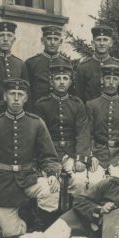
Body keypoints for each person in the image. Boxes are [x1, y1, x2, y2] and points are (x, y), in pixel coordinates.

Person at [0, 79, 62, 236]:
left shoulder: (36, 123)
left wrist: (51, 174)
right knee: (12, 234)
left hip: (28, 179)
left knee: (51, 189)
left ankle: (40, 229)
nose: (16, 98)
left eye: (20, 94)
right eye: (12, 94)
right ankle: (25, 218)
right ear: (5, 97)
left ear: (26, 98)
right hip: (4, 186)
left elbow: (49, 155)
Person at [34, 61, 93, 200]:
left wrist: (80, 158)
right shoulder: (42, 104)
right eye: (57, 78)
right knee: (48, 183)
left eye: (65, 78)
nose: (61, 82)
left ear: (71, 82)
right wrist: (45, 157)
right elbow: (40, 135)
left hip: (71, 153)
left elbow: (83, 132)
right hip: (50, 153)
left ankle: (75, 214)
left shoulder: (77, 104)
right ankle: (50, 216)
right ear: (51, 81)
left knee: (79, 181)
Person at [86, 63, 119, 180]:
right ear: (102, 80)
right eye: (108, 78)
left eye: (115, 79)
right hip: (98, 154)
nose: (111, 82)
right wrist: (91, 155)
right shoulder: (92, 105)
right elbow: (88, 134)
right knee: (94, 181)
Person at [75, 24, 119, 103]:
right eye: (98, 40)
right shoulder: (84, 66)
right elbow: (79, 97)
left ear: (111, 43)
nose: (102, 43)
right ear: (93, 43)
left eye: (105, 40)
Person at [0, 21, 29, 114]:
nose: (5, 39)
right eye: (1, 35)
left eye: (9, 35)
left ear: (14, 39)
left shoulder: (20, 64)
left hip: (16, 112)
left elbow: (26, 92)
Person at [25, 25, 71, 111]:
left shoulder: (66, 63)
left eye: (56, 39)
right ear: (42, 41)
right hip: (37, 110)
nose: (52, 42)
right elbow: (27, 91)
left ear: (60, 41)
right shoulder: (31, 63)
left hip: (60, 110)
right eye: (49, 39)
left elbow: (70, 90)